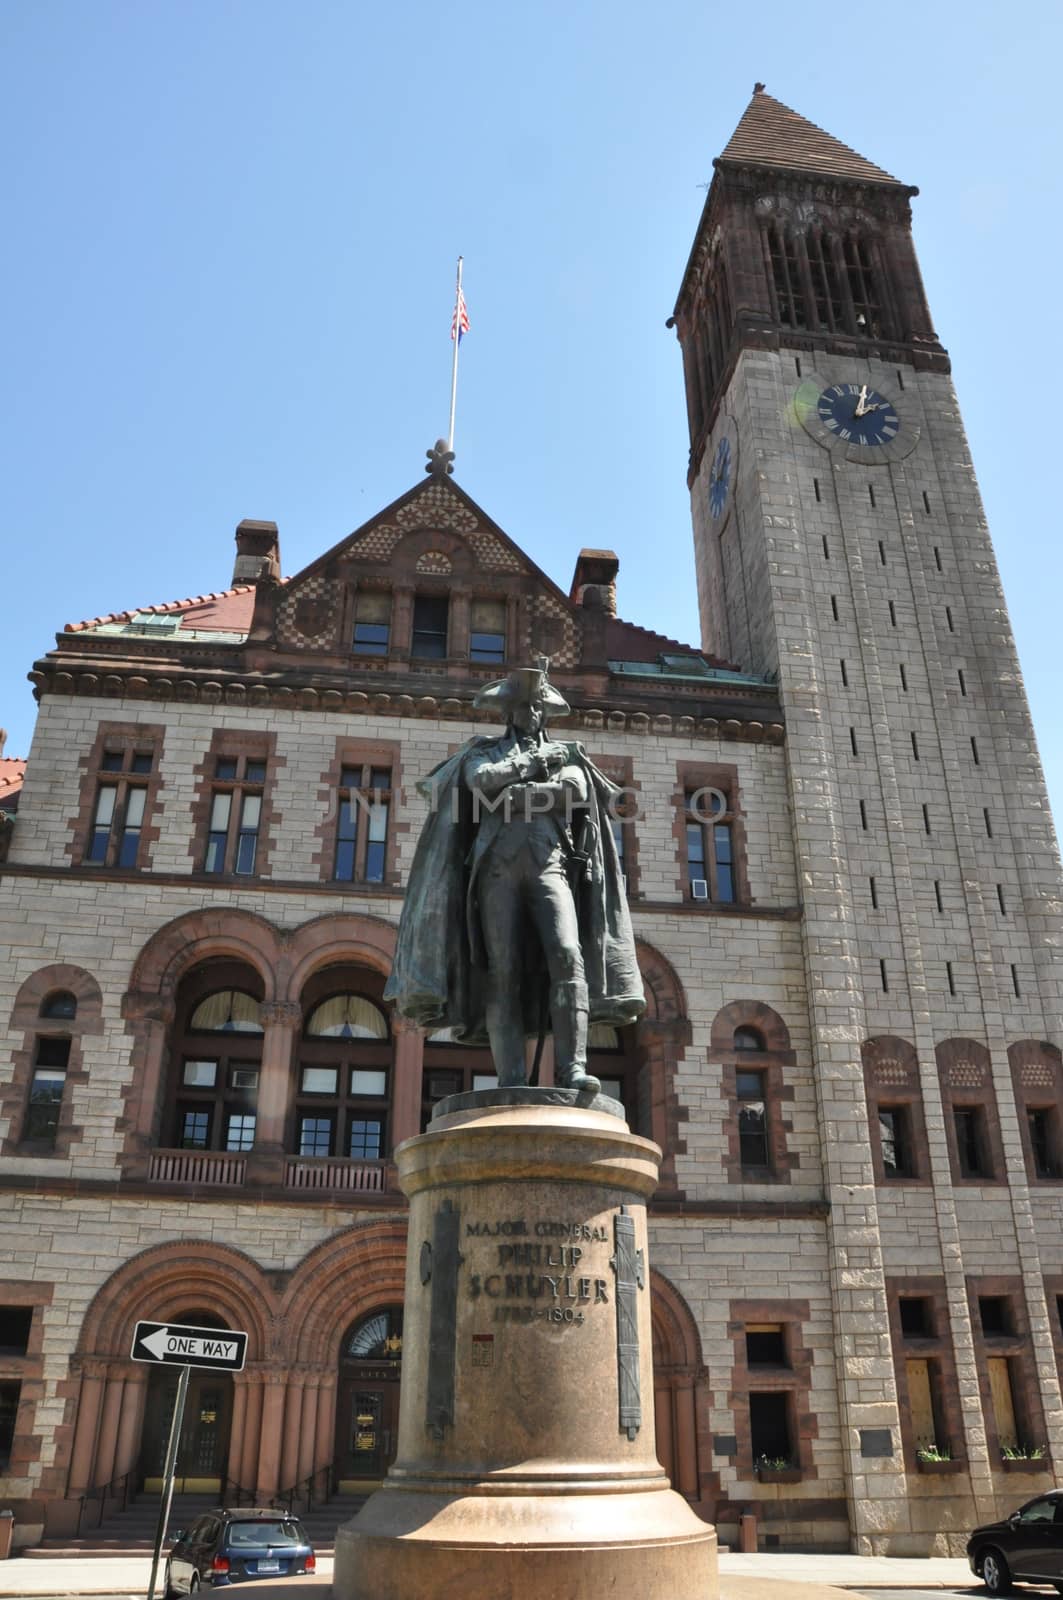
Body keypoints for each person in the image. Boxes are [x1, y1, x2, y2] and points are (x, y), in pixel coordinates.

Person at [384, 661, 644, 1094]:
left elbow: (575, 792)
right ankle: (510, 1078)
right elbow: (480, 781)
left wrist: (516, 794)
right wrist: (536, 767)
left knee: (566, 955)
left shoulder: (572, 757)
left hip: (551, 868)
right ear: (508, 712)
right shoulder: (484, 752)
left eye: (537, 705)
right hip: (495, 873)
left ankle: (572, 1069)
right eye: (523, 705)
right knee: (502, 970)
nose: (531, 712)